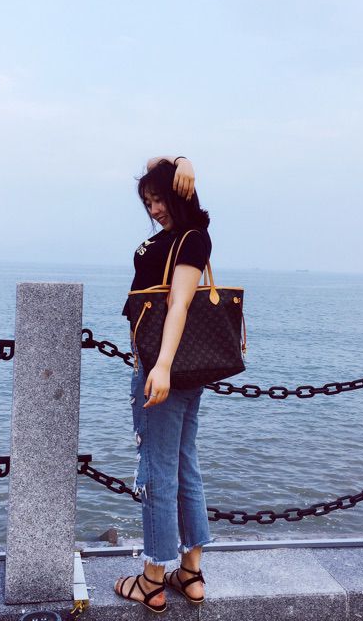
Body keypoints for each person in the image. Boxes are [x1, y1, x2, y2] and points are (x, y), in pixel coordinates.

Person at [114, 155, 213, 613]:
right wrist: (181, 161)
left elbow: (179, 304)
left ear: (179, 195)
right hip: (179, 369)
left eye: (160, 199)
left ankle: (152, 579)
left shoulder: (192, 238)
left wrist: (162, 366)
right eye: (148, 202)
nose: (154, 209)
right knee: (183, 464)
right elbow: (156, 162)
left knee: (156, 469)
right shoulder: (183, 236)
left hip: (163, 368)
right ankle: (189, 573)